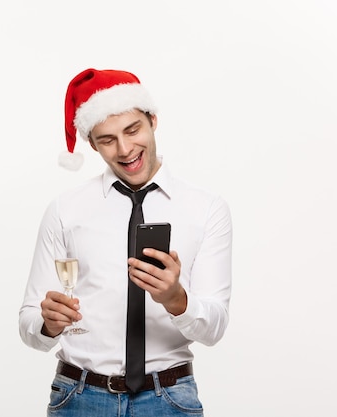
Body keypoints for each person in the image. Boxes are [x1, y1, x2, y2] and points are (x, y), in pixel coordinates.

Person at [19, 68, 232, 416]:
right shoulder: (65, 210)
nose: (125, 148)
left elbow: (214, 328)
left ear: (153, 121)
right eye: (107, 139)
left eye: (133, 130)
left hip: (168, 400)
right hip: (80, 398)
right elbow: (29, 324)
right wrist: (47, 323)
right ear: (92, 144)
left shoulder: (206, 209)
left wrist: (176, 299)